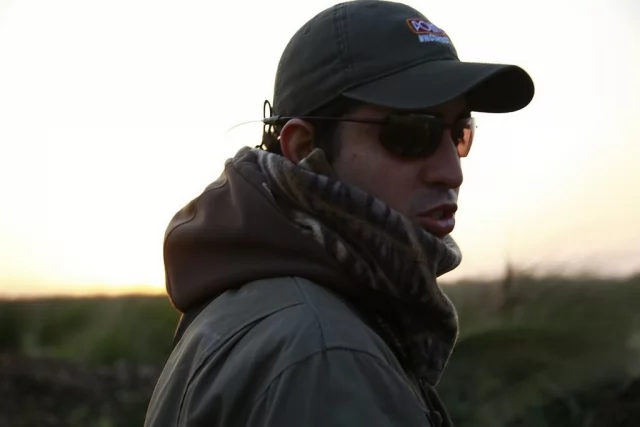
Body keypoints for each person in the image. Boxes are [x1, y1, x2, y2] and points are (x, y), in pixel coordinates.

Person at [144, 1, 534, 426]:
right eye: (413, 132)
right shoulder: (326, 355)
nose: (451, 172)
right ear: (303, 147)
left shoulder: (251, 300)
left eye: (459, 132)